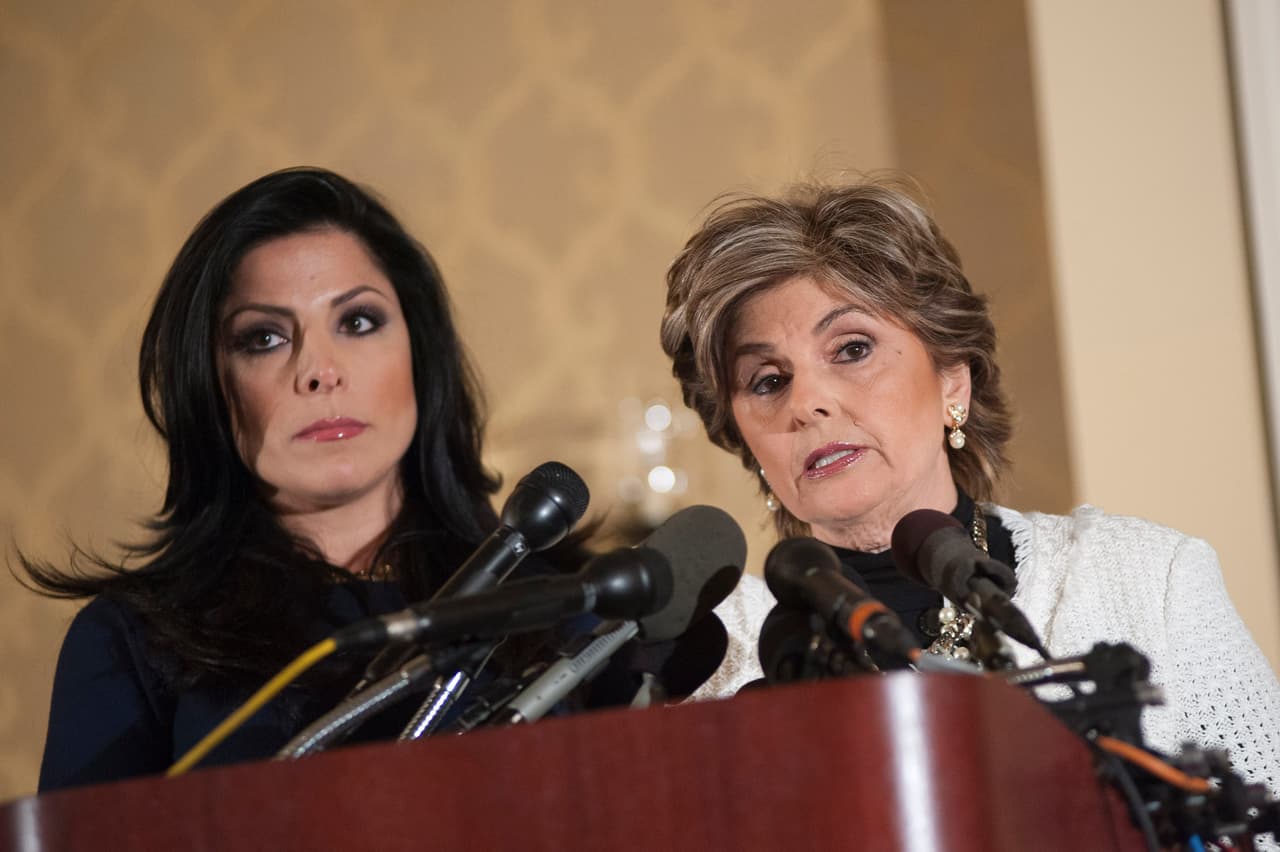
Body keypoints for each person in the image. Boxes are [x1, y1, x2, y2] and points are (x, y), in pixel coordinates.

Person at [659, 177, 1280, 795]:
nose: (807, 403)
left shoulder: (1144, 579)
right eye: (767, 381)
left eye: (851, 348)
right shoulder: (701, 655)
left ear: (953, 380)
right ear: (744, 438)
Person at [25, 167, 573, 790]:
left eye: (358, 322)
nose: (319, 371)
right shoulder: (131, 643)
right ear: (212, 389)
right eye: (264, 337)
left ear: (420, 353)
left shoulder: (570, 605)